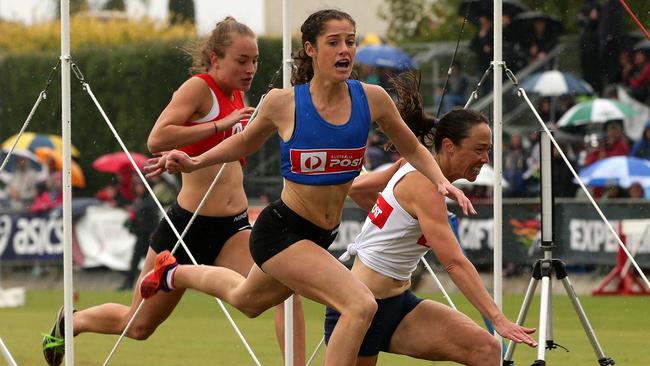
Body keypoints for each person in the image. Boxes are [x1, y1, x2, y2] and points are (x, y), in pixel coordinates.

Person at [141, 9, 474, 366]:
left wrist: (441, 180)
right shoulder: (282, 103)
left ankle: (172, 273)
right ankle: (171, 272)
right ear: (311, 49)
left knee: (246, 300)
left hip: (319, 235)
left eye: (350, 41)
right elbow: (242, 144)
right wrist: (193, 161)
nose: (345, 49)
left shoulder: (372, 99)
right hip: (281, 232)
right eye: (333, 42)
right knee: (360, 304)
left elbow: (412, 148)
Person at [42, 17, 306, 366]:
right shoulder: (199, 88)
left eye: (255, 60)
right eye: (242, 60)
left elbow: (235, 153)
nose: (251, 68)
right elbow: (157, 138)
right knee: (137, 326)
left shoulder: (238, 94)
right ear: (215, 59)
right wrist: (220, 125)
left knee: (284, 289)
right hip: (186, 230)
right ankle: (71, 322)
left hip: (234, 229)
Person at [323, 77, 536, 365]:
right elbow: (454, 263)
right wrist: (497, 318)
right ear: (448, 146)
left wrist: (397, 221)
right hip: (359, 307)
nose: (485, 158)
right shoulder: (425, 185)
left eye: (488, 150)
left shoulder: (409, 164)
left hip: (399, 305)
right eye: (478, 149)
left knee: (485, 349)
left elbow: (358, 189)